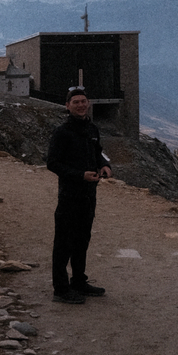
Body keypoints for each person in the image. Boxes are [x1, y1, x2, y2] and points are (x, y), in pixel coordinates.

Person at [46, 86, 112, 304]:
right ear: (67, 106)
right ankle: (61, 289)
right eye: (76, 102)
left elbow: (98, 152)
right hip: (69, 195)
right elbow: (52, 163)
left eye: (84, 101)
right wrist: (80, 175)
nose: (81, 105)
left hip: (88, 195)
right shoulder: (62, 132)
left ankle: (79, 281)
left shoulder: (92, 129)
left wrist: (104, 165)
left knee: (82, 240)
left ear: (88, 103)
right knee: (63, 242)